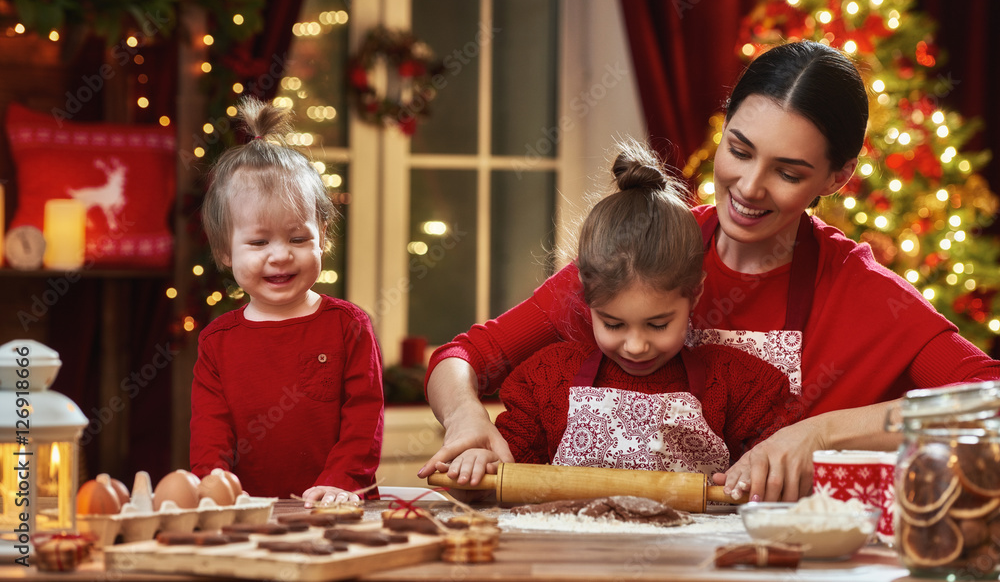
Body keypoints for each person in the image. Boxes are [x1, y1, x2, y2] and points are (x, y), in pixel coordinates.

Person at [420, 40, 1000, 502]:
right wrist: (466, 417)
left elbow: (990, 399)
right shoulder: (646, 249)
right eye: (740, 150)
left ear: (837, 178)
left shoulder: (860, 290)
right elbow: (461, 357)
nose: (749, 188)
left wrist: (821, 433)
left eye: (789, 172)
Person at [443, 145, 797, 493]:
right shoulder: (545, 382)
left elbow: (781, 467)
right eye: (613, 324)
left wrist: (763, 476)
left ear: (695, 294)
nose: (636, 346)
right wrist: (474, 467)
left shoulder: (739, 386)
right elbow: (500, 481)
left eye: (658, 325)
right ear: (585, 295)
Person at [190, 97, 384, 507]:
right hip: (247, 514)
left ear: (323, 237)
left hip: (335, 507)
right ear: (225, 250)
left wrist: (340, 481)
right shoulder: (216, 342)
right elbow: (210, 431)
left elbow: (364, 420)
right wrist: (213, 485)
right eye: (259, 242)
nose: (280, 255)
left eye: (298, 239)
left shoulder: (348, 325)